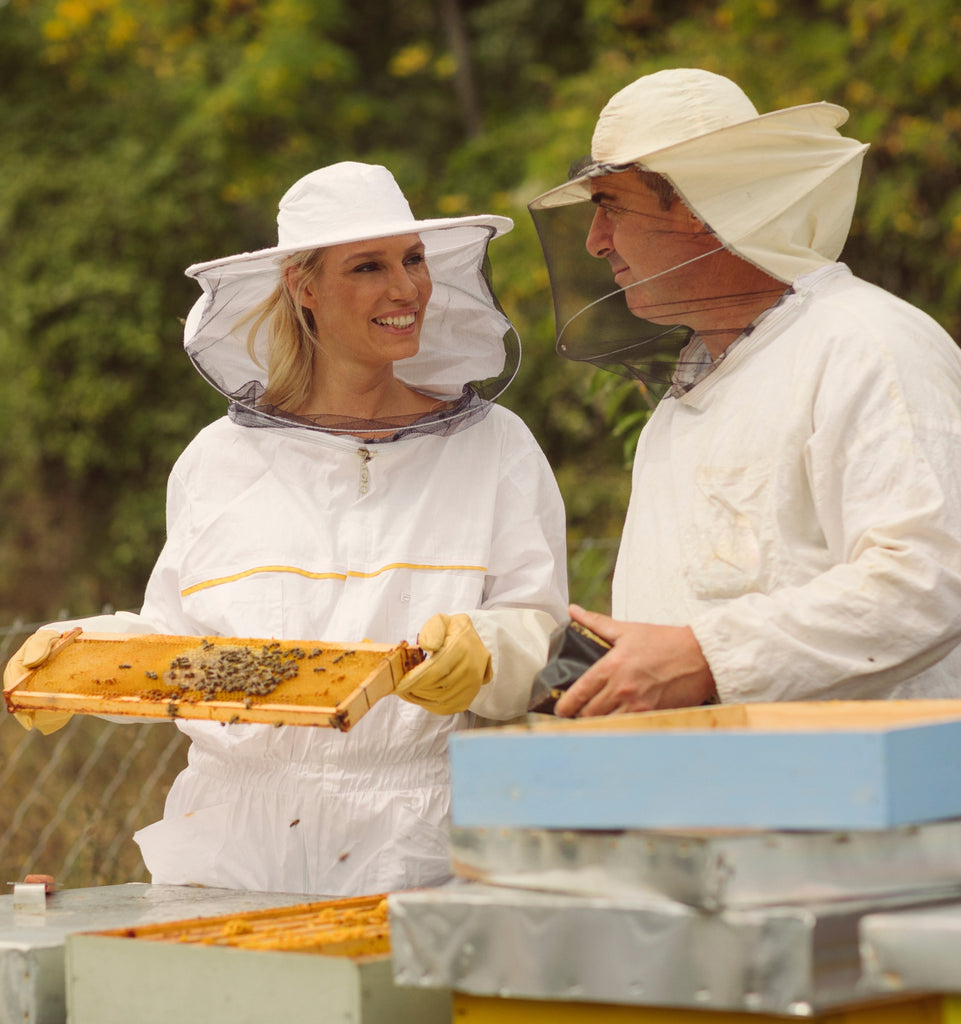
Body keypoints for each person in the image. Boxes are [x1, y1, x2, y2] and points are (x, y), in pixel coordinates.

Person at [6, 161, 568, 894]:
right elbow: (177, 639)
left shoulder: (497, 448)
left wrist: (488, 651)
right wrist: (77, 654)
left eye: (414, 260)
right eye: (368, 266)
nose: (405, 289)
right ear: (304, 288)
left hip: (414, 833)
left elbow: (541, 627)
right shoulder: (218, 459)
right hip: (229, 834)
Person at [527, 68, 961, 716]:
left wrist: (702, 656)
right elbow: (688, 610)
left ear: (698, 205)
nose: (594, 241)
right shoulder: (682, 405)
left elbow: (928, 583)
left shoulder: (870, 345)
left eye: (611, 205)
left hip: (860, 805)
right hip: (717, 803)